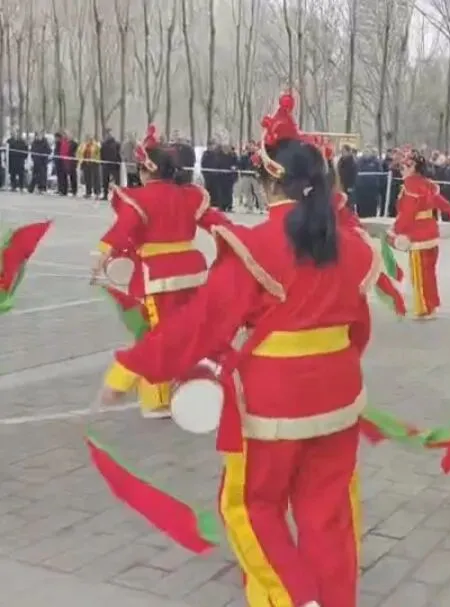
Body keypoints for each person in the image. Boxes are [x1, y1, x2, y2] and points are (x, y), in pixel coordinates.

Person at [99, 92, 378, 607]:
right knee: (328, 514)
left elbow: (201, 326)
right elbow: (360, 331)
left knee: (250, 506)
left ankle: (297, 597)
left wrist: (130, 367)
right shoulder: (351, 246)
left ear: (268, 181)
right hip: (339, 396)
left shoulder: (259, 245)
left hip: (273, 400)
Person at [93, 125, 225, 419]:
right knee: (189, 330)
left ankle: (158, 399)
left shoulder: (140, 198)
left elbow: (124, 228)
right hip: (192, 273)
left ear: (145, 170)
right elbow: (218, 224)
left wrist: (103, 253)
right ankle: (193, 383)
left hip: (157, 275)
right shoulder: (189, 196)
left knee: (155, 333)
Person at [386, 146, 450, 319]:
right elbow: (440, 201)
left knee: (420, 273)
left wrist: (394, 231)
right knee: (429, 273)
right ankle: (432, 304)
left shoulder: (410, 186)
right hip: (431, 232)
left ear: (412, 167)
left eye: (403, 167)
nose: (401, 170)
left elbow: (407, 213)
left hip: (418, 235)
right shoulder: (427, 183)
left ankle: (424, 308)